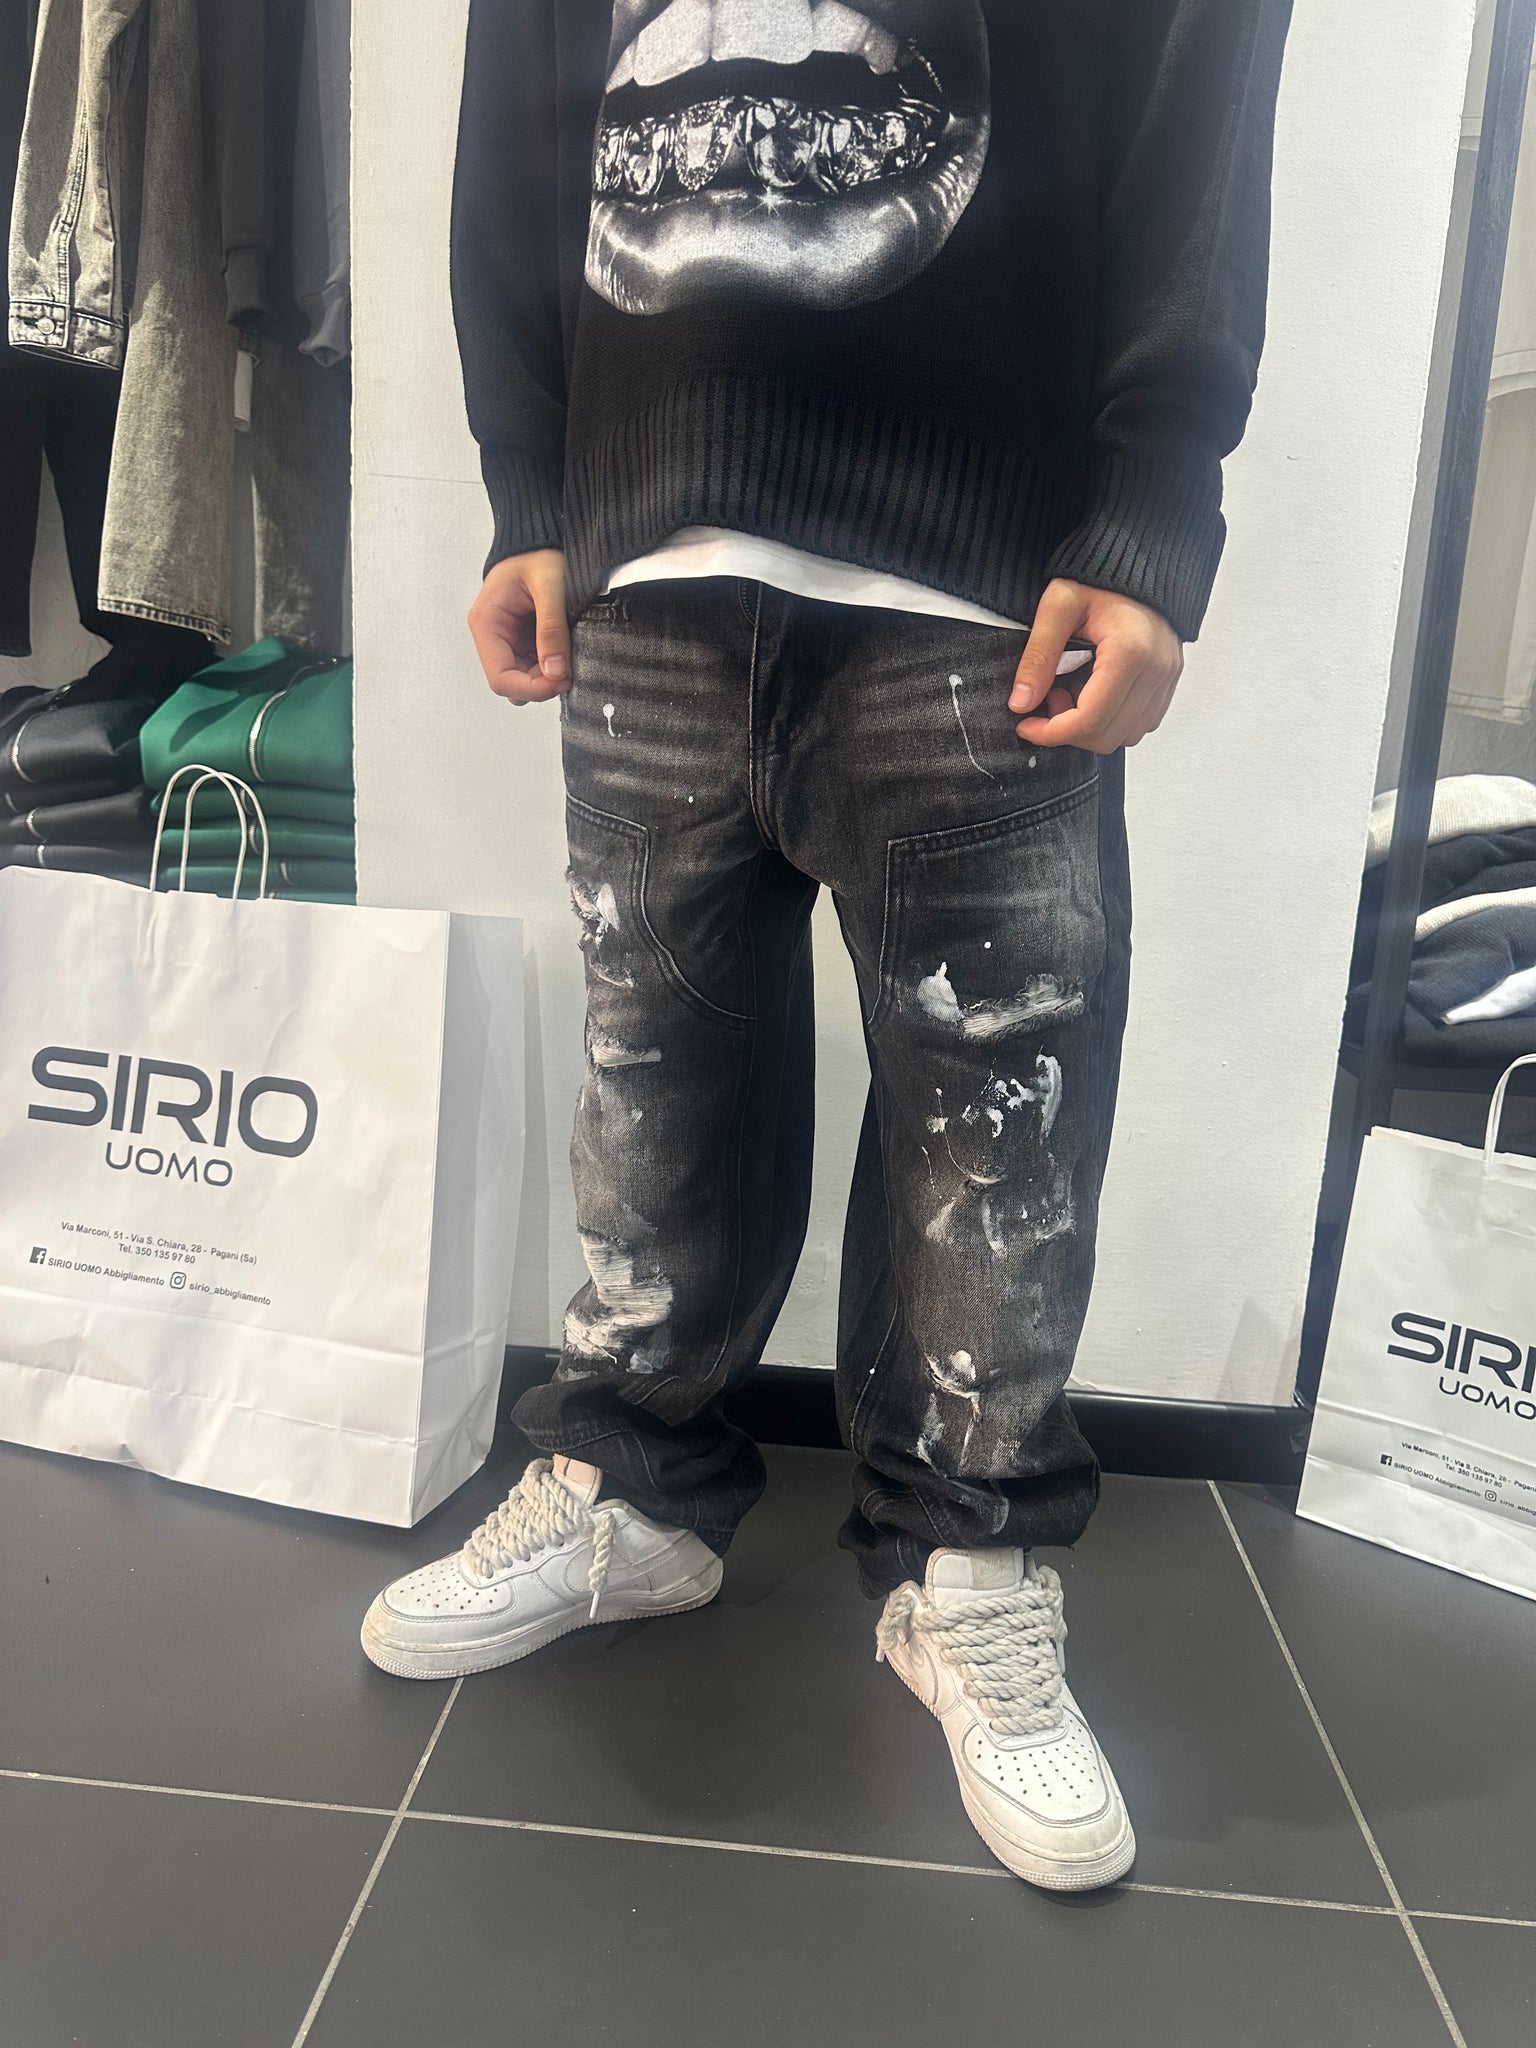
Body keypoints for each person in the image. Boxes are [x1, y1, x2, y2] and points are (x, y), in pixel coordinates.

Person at [362, 0, 1292, 1893]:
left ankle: (971, 1559)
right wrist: (528, 477)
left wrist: (1152, 502)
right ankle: (634, 1484)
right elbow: (523, 73)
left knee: (997, 1120)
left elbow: (1200, 68)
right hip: (644, 532)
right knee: (650, 1076)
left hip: (981, 554)